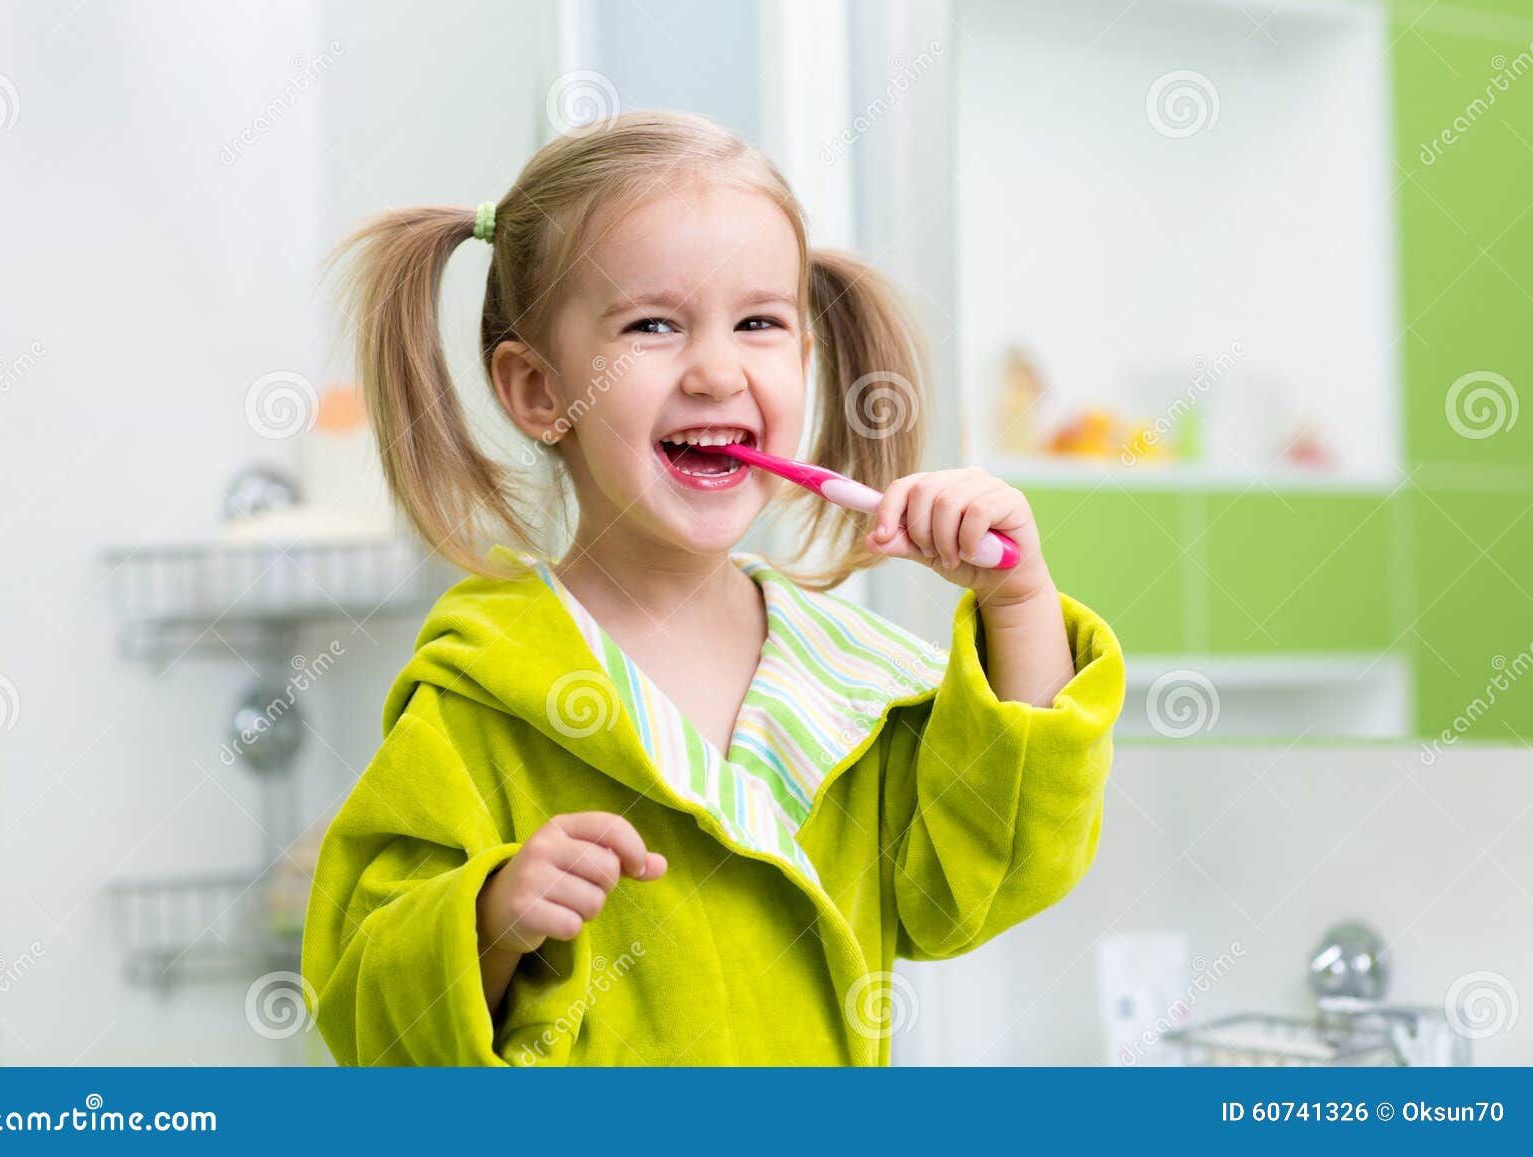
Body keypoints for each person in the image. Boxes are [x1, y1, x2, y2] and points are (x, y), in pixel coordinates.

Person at [301, 110, 1124, 1066]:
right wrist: (489, 919)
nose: (716, 369)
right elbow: (364, 1006)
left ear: (804, 364)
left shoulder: (851, 685)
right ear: (536, 391)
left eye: (759, 323)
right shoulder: (476, 697)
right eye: (651, 324)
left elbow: (990, 873)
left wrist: (1017, 604)